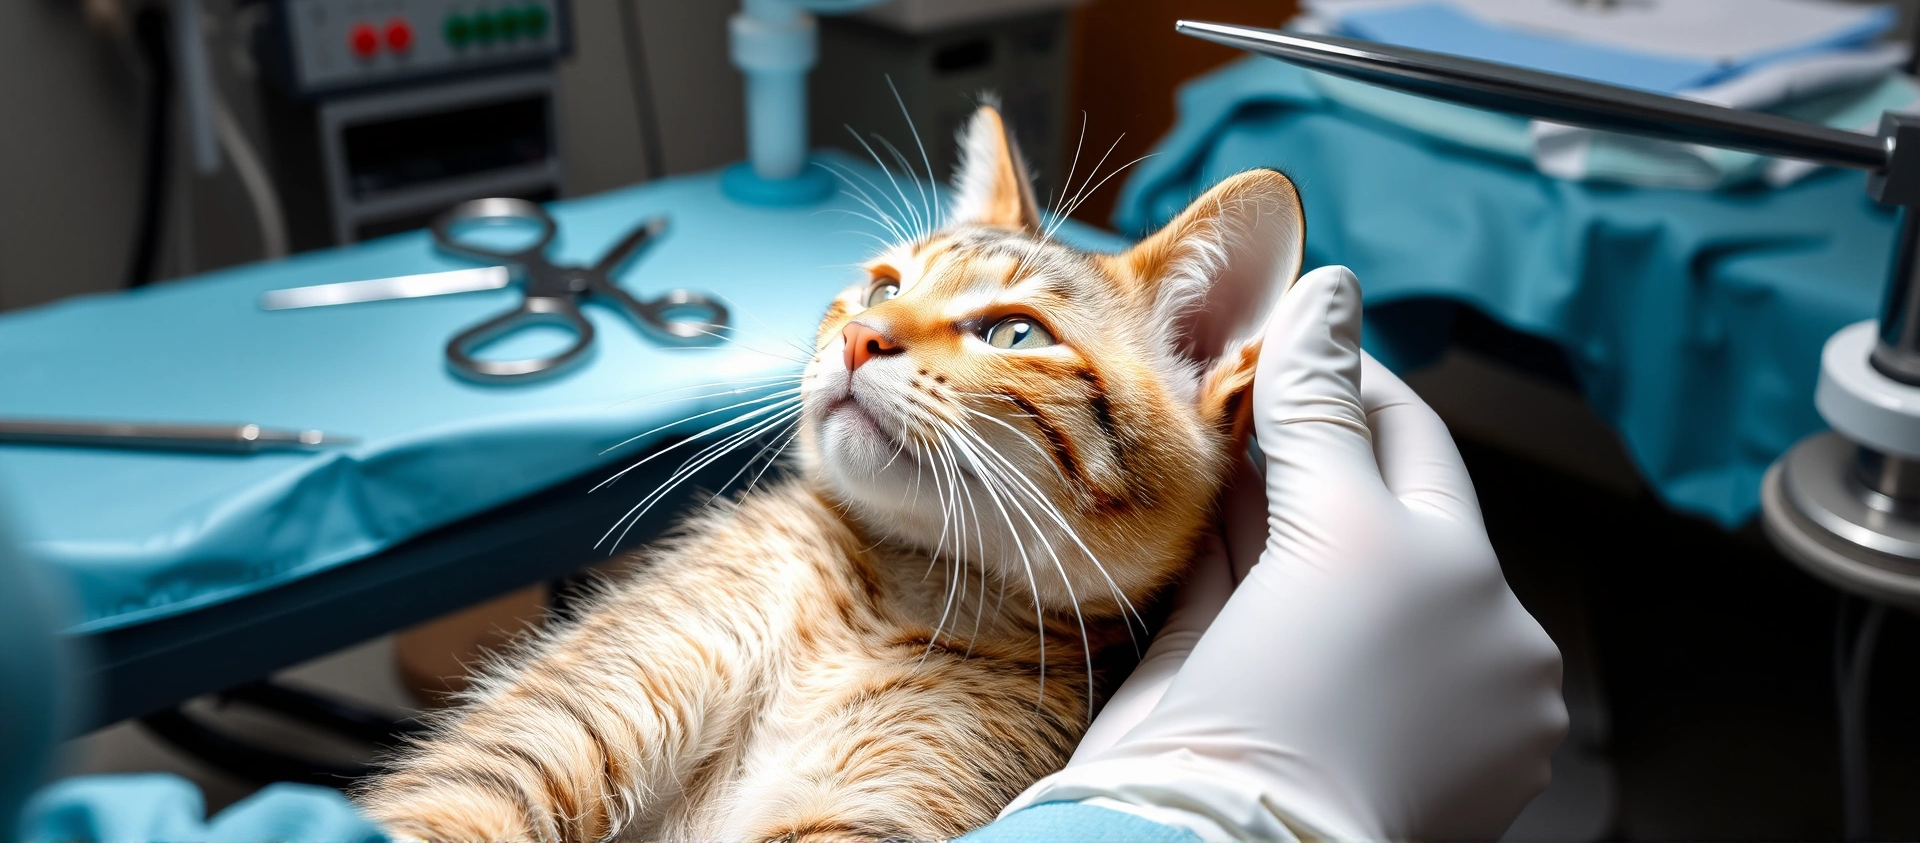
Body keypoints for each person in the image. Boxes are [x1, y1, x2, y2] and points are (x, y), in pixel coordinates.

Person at [1, 267, 1565, 842]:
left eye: (1004, 329)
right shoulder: (781, 544)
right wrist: (1226, 815)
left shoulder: (1047, 672)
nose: (874, 330)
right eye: (882, 289)